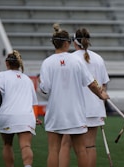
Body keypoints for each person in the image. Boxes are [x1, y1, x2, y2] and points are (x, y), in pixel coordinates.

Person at [39, 24, 109, 167]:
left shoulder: (47, 62)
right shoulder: (76, 61)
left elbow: (45, 89)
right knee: (81, 150)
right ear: (67, 43)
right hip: (76, 113)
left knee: (53, 150)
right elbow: (91, 83)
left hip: (55, 112)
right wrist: (101, 95)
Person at [59, 28, 110, 167]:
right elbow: (103, 85)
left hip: (76, 109)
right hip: (95, 108)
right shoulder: (98, 58)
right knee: (90, 145)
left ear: (74, 42)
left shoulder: (70, 58)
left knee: (65, 145)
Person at [0, 50, 38, 167]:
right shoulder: (27, 79)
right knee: (26, 146)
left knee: (7, 144)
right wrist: (34, 118)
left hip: (6, 115)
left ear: (7, 63)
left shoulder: (1, 76)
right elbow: (34, 103)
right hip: (26, 116)